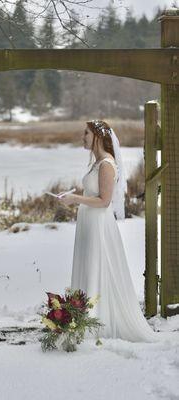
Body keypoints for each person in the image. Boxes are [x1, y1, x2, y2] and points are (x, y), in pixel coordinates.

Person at [59, 120, 158, 342]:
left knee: (97, 266)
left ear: (97, 136)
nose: (82, 137)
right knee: (89, 265)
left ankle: (95, 322)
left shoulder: (106, 164)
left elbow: (104, 201)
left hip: (99, 225)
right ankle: (84, 316)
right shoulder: (96, 163)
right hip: (89, 223)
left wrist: (75, 198)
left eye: (85, 133)